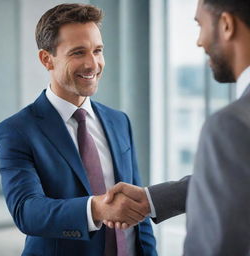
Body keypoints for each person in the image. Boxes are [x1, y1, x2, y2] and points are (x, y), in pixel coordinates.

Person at [0, 4, 158, 256]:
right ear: (46, 59)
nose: (93, 64)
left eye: (98, 50)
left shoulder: (119, 121)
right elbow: (27, 211)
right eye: (78, 52)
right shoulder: (16, 131)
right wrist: (97, 209)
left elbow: (138, 210)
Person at [105, 0, 250, 254]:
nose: (199, 41)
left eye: (200, 25)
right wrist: (151, 199)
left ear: (226, 25)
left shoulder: (231, 124)